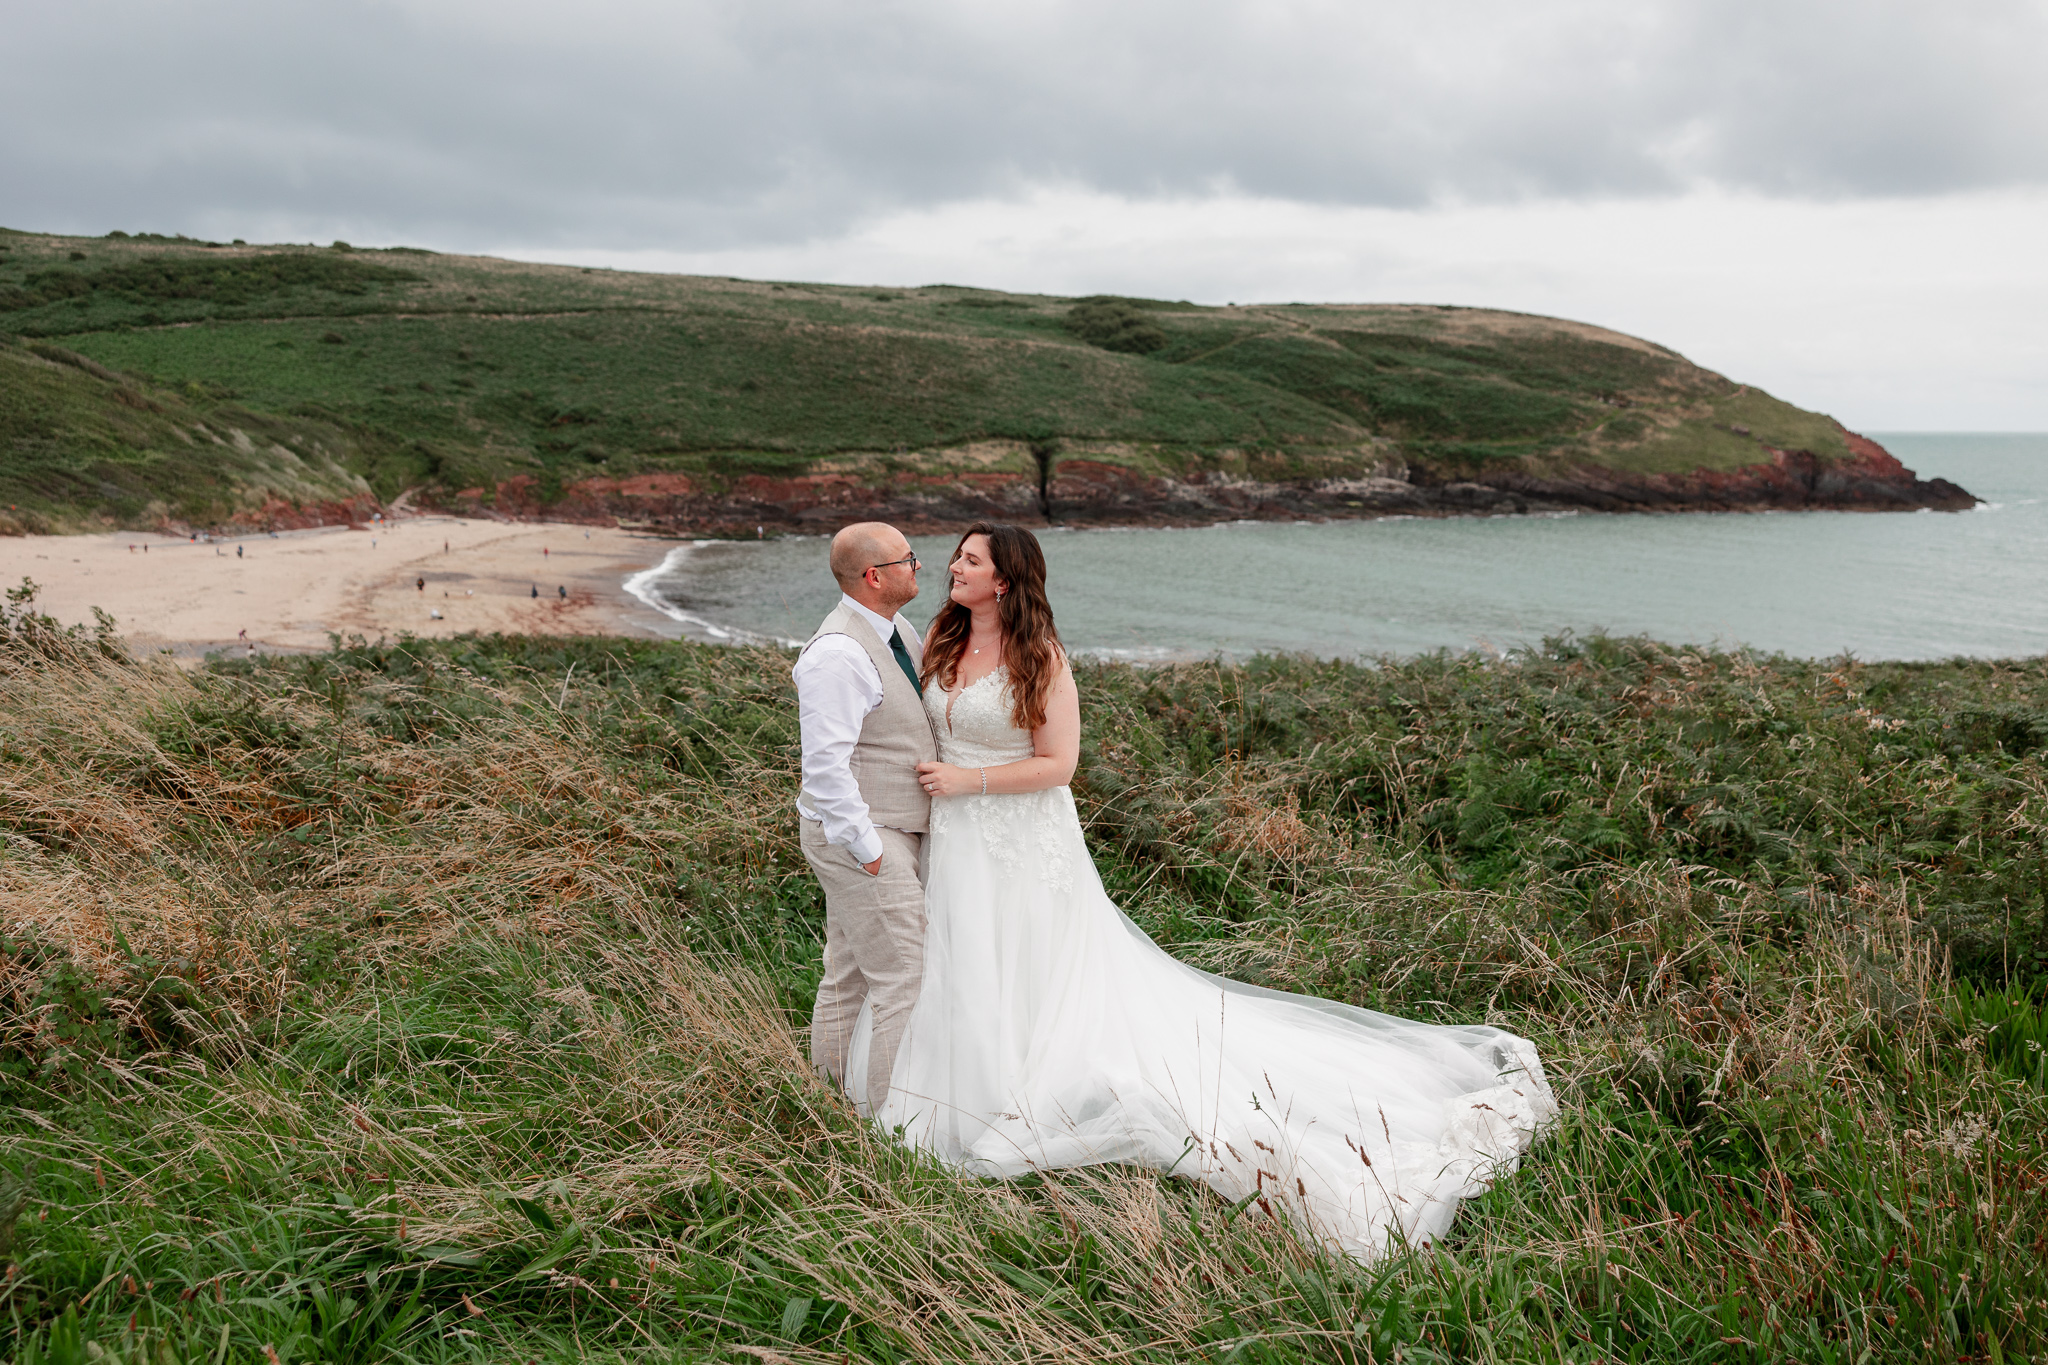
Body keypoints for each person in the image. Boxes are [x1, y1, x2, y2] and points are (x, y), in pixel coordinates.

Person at [847, 521, 1558, 1261]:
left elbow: (1059, 764)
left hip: (1022, 836)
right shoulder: (938, 635)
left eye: (969, 560)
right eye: (957, 557)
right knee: (958, 958)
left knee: (1032, 960)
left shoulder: (1041, 657)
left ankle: (1021, 1083)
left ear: (1004, 580)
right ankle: (956, 1080)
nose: (953, 567)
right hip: (956, 839)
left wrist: (970, 780)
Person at [793, 522, 939, 1117]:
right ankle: (893, 1131)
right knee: (906, 978)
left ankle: (826, 1105)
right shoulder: (836, 654)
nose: (920, 567)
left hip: (889, 829)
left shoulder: (896, 628)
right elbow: (824, 767)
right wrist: (867, 848)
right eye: (910, 559)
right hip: (867, 837)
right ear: (874, 576)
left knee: (848, 975)